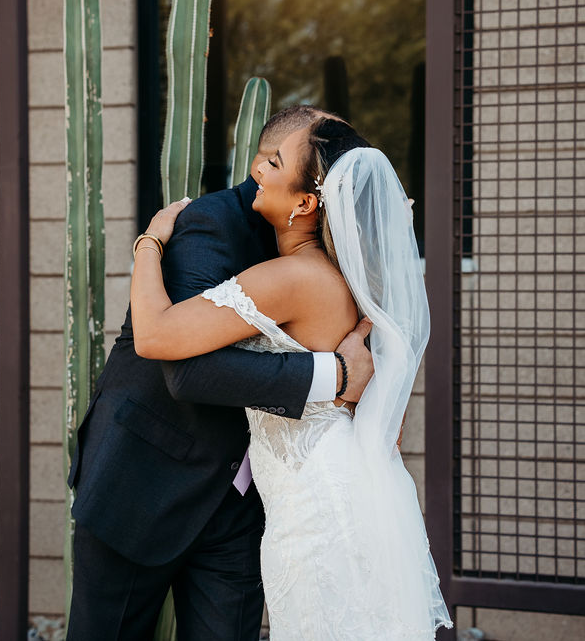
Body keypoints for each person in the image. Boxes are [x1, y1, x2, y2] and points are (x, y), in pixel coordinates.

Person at [132, 117, 452, 639]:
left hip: (316, 502)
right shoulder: (346, 278)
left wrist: (150, 242)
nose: (257, 168)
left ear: (305, 204)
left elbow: (154, 336)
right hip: (346, 484)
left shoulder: (295, 278)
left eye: (274, 163)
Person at [65, 106, 376, 640]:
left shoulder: (328, 247)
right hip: (143, 483)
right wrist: (334, 376)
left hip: (244, 502)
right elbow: (181, 370)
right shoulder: (212, 223)